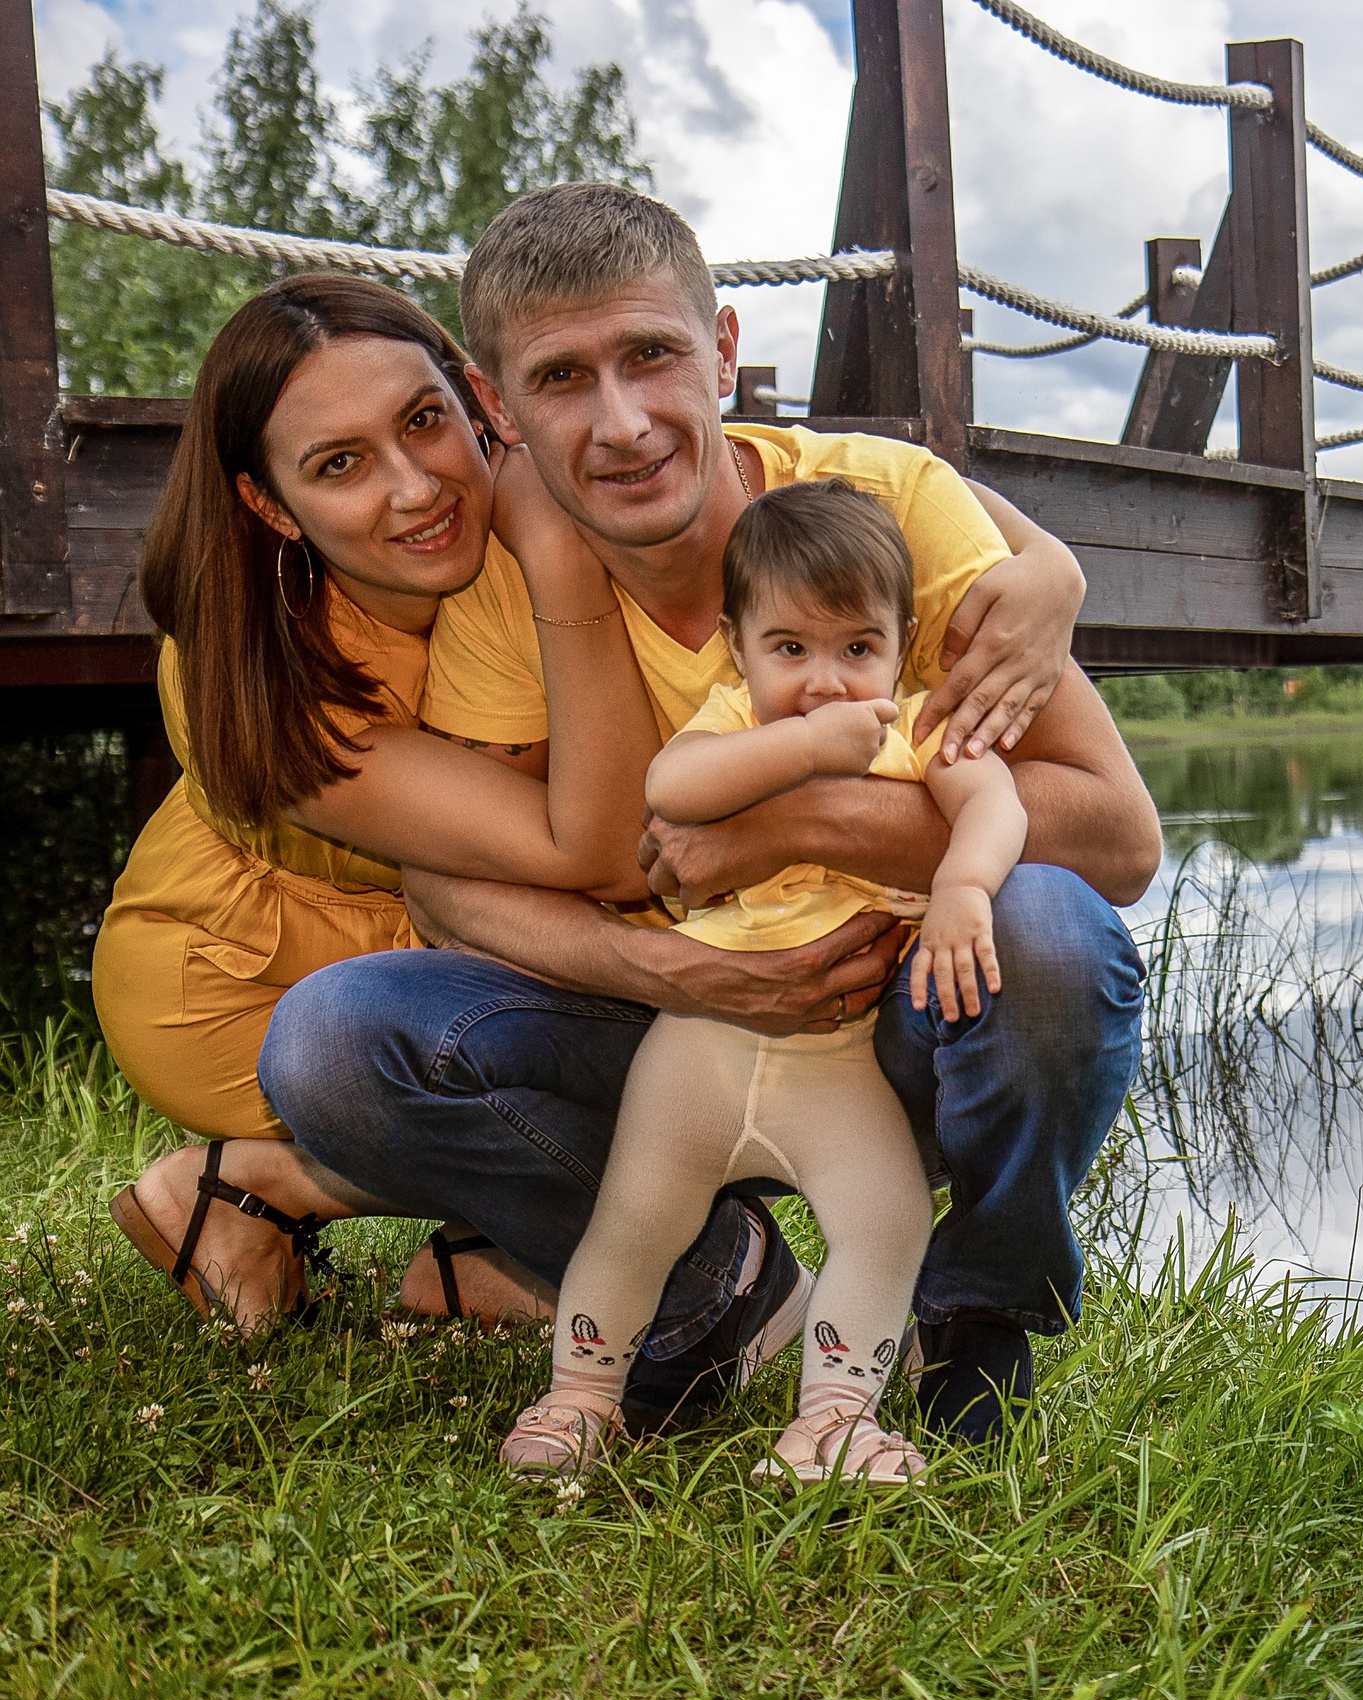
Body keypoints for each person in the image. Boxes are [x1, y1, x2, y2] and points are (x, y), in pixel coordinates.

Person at [260, 183, 1158, 1443]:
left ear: (723, 348)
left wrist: (791, 827)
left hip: (899, 1016)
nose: (622, 423)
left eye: (652, 356)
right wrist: (669, 964)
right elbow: (449, 888)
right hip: (669, 1042)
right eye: (563, 378)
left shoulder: (880, 505)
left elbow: (1118, 839)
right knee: (333, 1043)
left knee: (1054, 933)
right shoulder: (502, 596)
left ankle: (975, 1315)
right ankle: (712, 1291)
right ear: (496, 403)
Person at [93, 272, 660, 1329]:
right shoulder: (250, 670)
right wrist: (548, 548)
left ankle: (486, 1253)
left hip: (442, 938)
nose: (416, 488)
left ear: (479, 401)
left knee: (682, 1017)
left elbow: (780, 472)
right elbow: (607, 855)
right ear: (269, 502)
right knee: (676, 1056)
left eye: (423, 421)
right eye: (341, 464)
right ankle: (255, 1184)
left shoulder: (560, 475)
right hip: (249, 985)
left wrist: (1031, 568)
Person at [504, 478, 1027, 1483]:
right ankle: (580, 1395)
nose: (826, 681)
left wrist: (965, 882)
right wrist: (800, 748)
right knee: (634, 1221)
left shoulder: (913, 728)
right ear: (738, 646)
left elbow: (993, 801)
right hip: (694, 1060)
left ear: (901, 640)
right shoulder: (732, 722)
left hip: (832, 1067)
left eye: (856, 649)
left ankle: (832, 1421)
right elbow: (671, 788)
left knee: (886, 1218)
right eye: (790, 649)